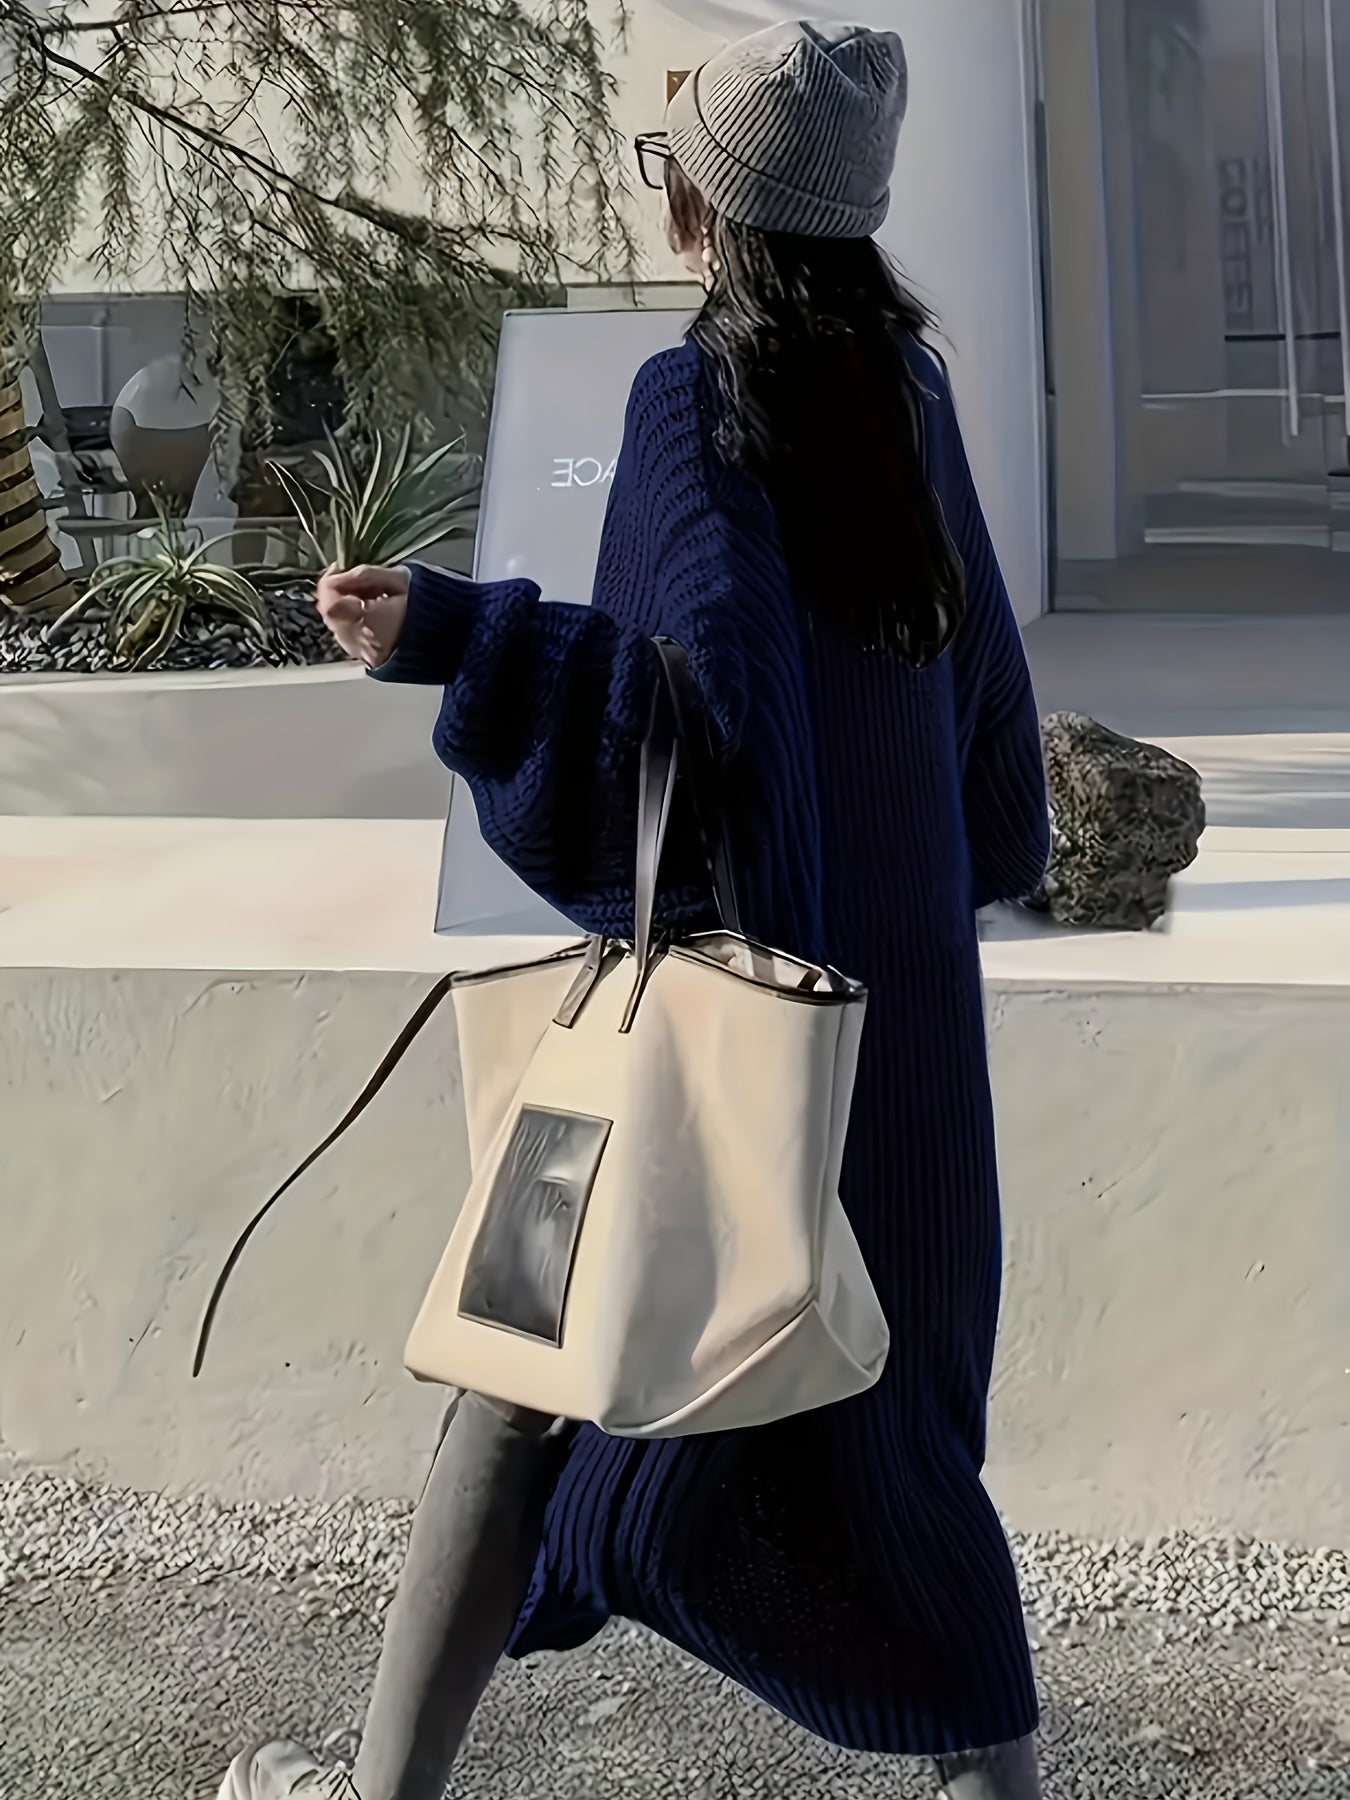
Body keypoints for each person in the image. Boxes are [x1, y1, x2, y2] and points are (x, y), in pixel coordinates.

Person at [218, 22, 1051, 1800]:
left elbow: (688, 710)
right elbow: (982, 701)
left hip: (725, 1025)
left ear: (707, 212)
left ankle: (376, 1796)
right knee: (895, 1446)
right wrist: (934, 886)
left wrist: (456, 635)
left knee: (522, 1367)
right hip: (897, 1037)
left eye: (670, 166)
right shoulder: (908, 395)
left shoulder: (692, 401)